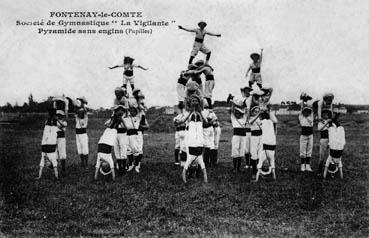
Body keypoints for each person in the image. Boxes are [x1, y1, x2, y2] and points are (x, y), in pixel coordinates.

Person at [178, 95, 209, 183]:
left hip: (199, 134)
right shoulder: (188, 112)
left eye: (196, 101)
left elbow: (206, 121)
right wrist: (189, 113)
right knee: (190, 154)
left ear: (199, 102)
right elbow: (183, 120)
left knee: (199, 153)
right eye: (193, 101)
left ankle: (198, 171)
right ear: (190, 102)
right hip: (190, 135)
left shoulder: (201, 112)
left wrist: (201, 113)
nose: (195, 102)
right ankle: (190, 171)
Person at [36, 108, 60, 180]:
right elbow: (55, 169)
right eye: (48, 164)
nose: (46, 163)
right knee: (53, 131)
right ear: (51, 163)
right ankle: (53, 115)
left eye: (46, 165)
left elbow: (41, 167)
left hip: (44, 143)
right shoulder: (53, 159)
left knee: (47, 129)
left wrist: (39, 176)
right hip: (51, 144)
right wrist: (57, 177)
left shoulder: (43, 158)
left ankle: (51, 115)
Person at [255, 110, 278, 182]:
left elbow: (259, 168)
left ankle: (266, 112)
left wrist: (256, 179)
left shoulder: (263, 122)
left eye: (264, 166)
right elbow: (273, 167)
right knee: (271, 160)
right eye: (267, 166)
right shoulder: (270, 121)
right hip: (271, 143)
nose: (266, 164)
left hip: (267, 143)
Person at [323, 115, 345, 179]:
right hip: (337, 147)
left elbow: (325, 171)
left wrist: (324, 177)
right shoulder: (336, 162)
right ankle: (334, 122)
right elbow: (341, 173)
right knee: (337, 133)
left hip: (337, 147)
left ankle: (334, 122)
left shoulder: (331, 160)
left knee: (335, 133)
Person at [299, 93, 314, 172]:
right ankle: (302, 165)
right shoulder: (301, 117)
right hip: (303, 136)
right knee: (302, 150)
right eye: (305, 111)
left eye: (308, 111)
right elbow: (302, 108)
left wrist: (307, 99)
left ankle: (307, 165)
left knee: (309, 150)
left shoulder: (311, 117)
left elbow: (311, 108)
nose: (306, 112)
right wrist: (303, 99)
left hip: (310, 135)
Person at [202, 99, 217, 167]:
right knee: (211, 144)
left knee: (207, 145)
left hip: (206, 128)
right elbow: (215, 119)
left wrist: (209, 122)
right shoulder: (210, 111)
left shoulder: (203, 111)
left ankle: (207, 162)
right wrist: (212, 122)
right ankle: (212, 162)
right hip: (210, 128)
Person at [317, 110, 332, 175]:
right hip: (324, 139)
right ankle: (320, 170)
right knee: (322, 155)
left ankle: (331, 170)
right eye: (324, 114)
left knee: (330, 155)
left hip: (331, 139)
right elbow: (319, 129)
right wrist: (326, 123)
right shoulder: (321, 122)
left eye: (327, 114)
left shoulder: (331, 122)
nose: (325, 115)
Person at [56, 110, 67, 174]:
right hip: (55, 138)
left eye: (60, 115)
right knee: (55, 154)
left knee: (62, 154)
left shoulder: (64, 122)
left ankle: (63, 168)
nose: (59, 116)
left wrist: (57, 121)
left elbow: (62, 127)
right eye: (58, 115)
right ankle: (55, 168)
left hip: (61, 138)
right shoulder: (54, 122)